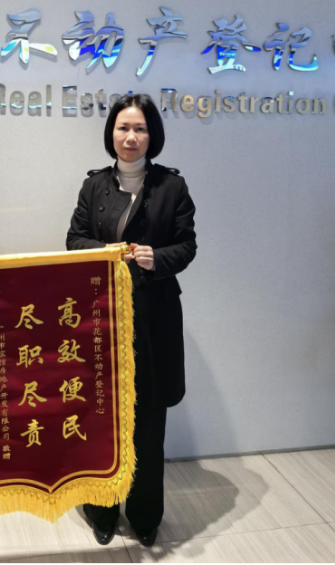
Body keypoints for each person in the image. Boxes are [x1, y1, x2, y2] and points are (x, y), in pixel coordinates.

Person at [66, 93, 196, 548]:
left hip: (154, 316)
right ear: (112, 133)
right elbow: (74, 239)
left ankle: (144, 514)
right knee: (100, 414)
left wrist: (156, 258)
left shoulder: (172, 187)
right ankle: (101, 509)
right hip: (101, 314)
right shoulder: (94, 186)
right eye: (123, 128)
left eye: (139, 128)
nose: (131, 137)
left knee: (149, 419)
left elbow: (187, 246)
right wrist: (106, 253)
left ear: (151, 135)